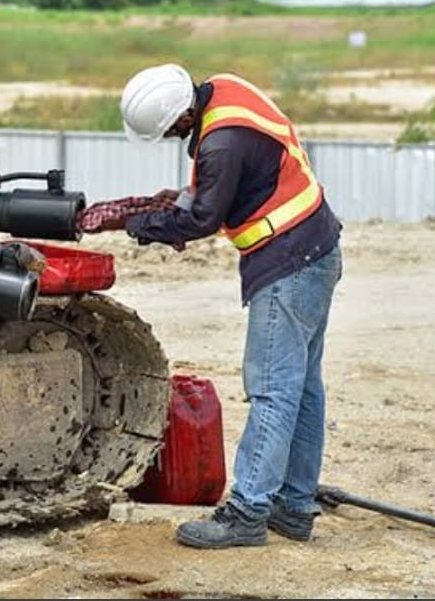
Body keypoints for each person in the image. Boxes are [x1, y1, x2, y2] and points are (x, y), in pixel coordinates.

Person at [114, 63, 344, 548]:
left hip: (288, 260)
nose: (173, 138)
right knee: (301, 389)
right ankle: (295, 506)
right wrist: (172, 201)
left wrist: (143, 226)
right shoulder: (226, 90)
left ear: (177, 118)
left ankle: (247, 512)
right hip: (316, 247)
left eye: (168, 132)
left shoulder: (219, 144)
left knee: (272, 389)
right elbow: (240, 181)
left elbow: (202, 219)